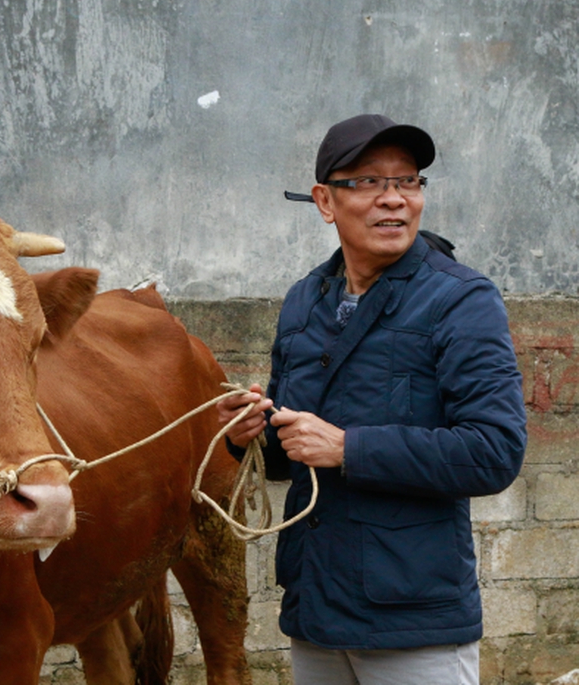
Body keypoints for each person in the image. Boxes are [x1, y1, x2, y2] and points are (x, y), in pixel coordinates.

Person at [218, 114, 527, 685]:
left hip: (414, 621)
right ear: (325, 201)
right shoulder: (304, 302)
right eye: (369, 183)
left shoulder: (460, 300)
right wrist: (253, 437)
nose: (395, 201)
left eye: (408, 182)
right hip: (316, 610)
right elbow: (291, 457)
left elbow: (495, 451)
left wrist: (347, 447)